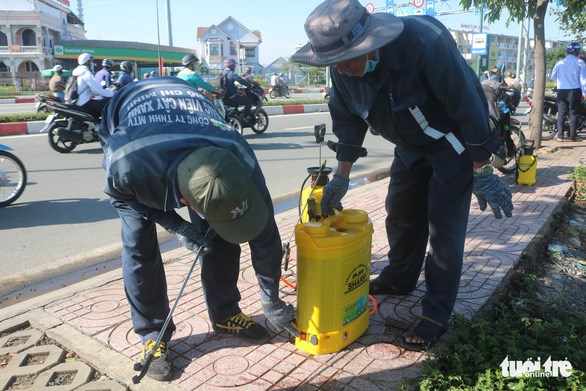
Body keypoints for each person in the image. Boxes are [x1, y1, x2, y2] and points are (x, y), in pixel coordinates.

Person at [292, 0, 513, 352]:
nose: (342, 69)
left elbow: (466, 103)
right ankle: (399, 278)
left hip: (452, 145)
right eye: (334, 62)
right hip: (409, 146)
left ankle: (436, 314)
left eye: (348, 58)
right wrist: (341, 177)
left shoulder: (424, 44)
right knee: (400, 214)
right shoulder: (341, 66)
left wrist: (483, 169)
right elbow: (348, 121)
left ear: (369, 44)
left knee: (444, 230)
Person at [99, 76, 297, 381]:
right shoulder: (127, 164)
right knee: (139, 244)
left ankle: (225, 313)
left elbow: (265, 233)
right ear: (184, 200)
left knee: (219, 233)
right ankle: (153, 333)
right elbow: (122, 198)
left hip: (193, 122)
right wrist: (176, 225)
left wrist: (272, 300)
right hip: (132, 121)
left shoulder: (240, 157)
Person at [550, 42, 586, 142]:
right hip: (575, 91)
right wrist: (584, 93)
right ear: (577, 51)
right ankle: (572, 136)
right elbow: (583, 79)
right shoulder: (580, 63)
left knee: (561, 113)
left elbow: (553, 77)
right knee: (573, 113)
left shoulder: (560, 62)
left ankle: (560, 136)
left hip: (561, 91)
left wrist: (560, 82)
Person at [71, 53, 114, 117]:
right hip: (84, 103)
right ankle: (104, 126)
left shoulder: (76, 72)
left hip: (77, 102)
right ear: (87, 62)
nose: (92, 63)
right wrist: (113, 94)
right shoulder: (86, 73)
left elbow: (90, 91)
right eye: (91, 61)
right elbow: (98, 90)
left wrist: (99, 93)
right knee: (107, 104)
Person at [221, 58, 254, 124]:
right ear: (231, 66)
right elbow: (241, 81)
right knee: (249, 102)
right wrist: (250, 85)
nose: (234, 67)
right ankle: (243, 117)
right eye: (234, 66)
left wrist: (238, 87)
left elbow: (230, 83)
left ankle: (238, 115)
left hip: (224, 97)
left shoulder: (222, 73)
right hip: (232, 96)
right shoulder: (231, 74)